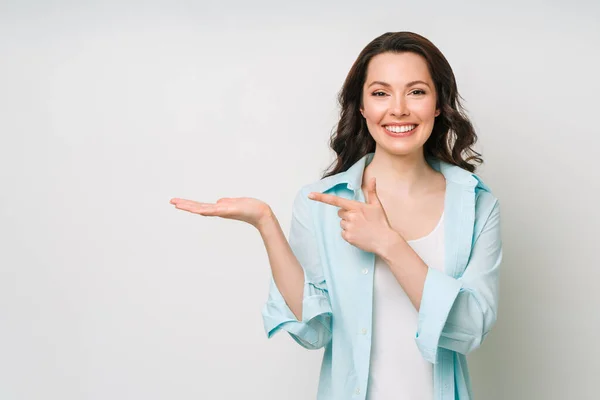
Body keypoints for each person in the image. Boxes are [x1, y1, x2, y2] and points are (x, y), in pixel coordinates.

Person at [170, 31, 502, 400]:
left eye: (416, 91)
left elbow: (470, 328)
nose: (399, 109)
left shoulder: (475, 203)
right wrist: (265, 223)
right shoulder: (322, 202)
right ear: (361, 107)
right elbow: (316, 332)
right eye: (380, 93)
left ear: (438, 103)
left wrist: (389, 243)